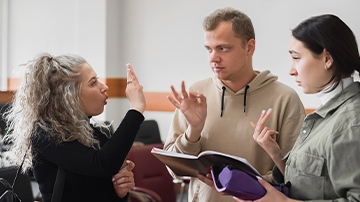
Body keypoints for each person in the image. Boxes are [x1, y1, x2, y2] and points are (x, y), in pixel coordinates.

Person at [164, 7, 306, 202]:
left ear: (249, 47)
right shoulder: (196, 94)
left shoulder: (286, 99)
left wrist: (235, 184)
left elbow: (298, 179)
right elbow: (174, 171)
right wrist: (193, 132)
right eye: (209, 49)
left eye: (223, 48)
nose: (213, 58)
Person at [235, 14, 360, 202]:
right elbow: (313, 186)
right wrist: (276, 154)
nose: (291, 70)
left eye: (296, 58)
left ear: (327, 59)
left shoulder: (351, 123)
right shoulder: (329, 113)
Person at [3, 53, 146, 202]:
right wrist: (136, 109)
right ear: (68, 96)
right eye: (93, 82)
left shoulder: (95, 133)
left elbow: (102, 185)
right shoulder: (45, 134)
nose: (104, 87)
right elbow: (102, 164)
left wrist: (119, 191)